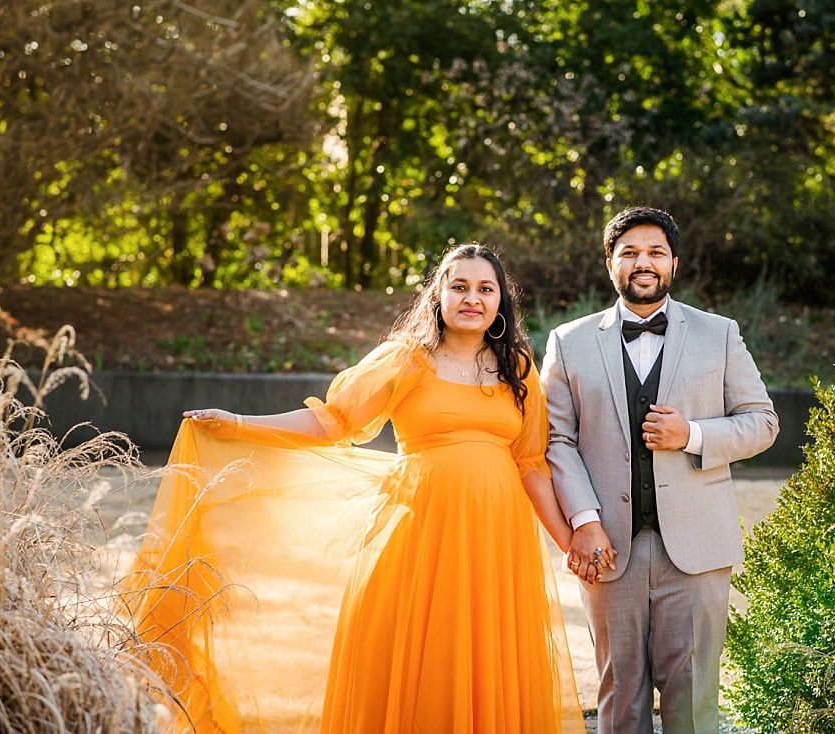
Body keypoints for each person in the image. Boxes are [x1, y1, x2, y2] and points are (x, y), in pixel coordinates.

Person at [125, 243, 584, 733]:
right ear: (438, 296)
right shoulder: (407, 360)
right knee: (415, 658)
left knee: (488, 657)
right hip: (419, 534)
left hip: (497, 542)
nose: (472, 298)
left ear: (500, 301)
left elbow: (531, 465)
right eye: (459, 286)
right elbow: (333, 420)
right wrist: (237, 421)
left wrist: (571, 541)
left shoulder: (518, 368)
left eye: (485, 288)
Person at [541, 206, 779, 734]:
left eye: (654, 252)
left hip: (696, 549)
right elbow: (556, 440)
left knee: (693, 704)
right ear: (610, 264)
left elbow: (763, 423)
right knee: (619, 702)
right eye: (629, 253)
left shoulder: (719, 334)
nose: (642, 262)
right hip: (607, 548)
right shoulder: (568, 341)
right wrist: (584, 520)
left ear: (673, 262)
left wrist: (692, 434)